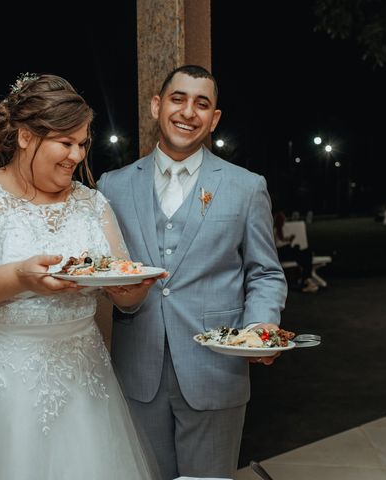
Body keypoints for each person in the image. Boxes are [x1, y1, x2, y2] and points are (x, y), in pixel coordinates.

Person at [0, 74, 161, 480]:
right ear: (25, 136)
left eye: (82, 143)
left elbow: (123, 290)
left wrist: (129, 289)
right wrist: (18, 277)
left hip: (81, 382)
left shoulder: (92, 204)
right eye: (66, 143)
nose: (77, 155)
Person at [98, 65, 288, 479]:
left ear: (214, 118)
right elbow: (105, 269)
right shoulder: (112, 186)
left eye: (202, 104)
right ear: (156, 106)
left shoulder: (246, 186)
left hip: (215, 371)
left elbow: (265, 273)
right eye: (178, 99)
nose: (189, 112)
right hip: (136, 372)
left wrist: (259, 328)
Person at [273, 210, 319, 293]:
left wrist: (289, 240)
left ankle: (306, 280)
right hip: (282, 253)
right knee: (305, 255)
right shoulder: (275, 231)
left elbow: (282, 241)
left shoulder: (279, 231)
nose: (285, 221)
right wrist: (289, 241)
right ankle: (306, 280)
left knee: (306, 255)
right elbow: (278, 246)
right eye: (284, 220)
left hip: (286, 252)